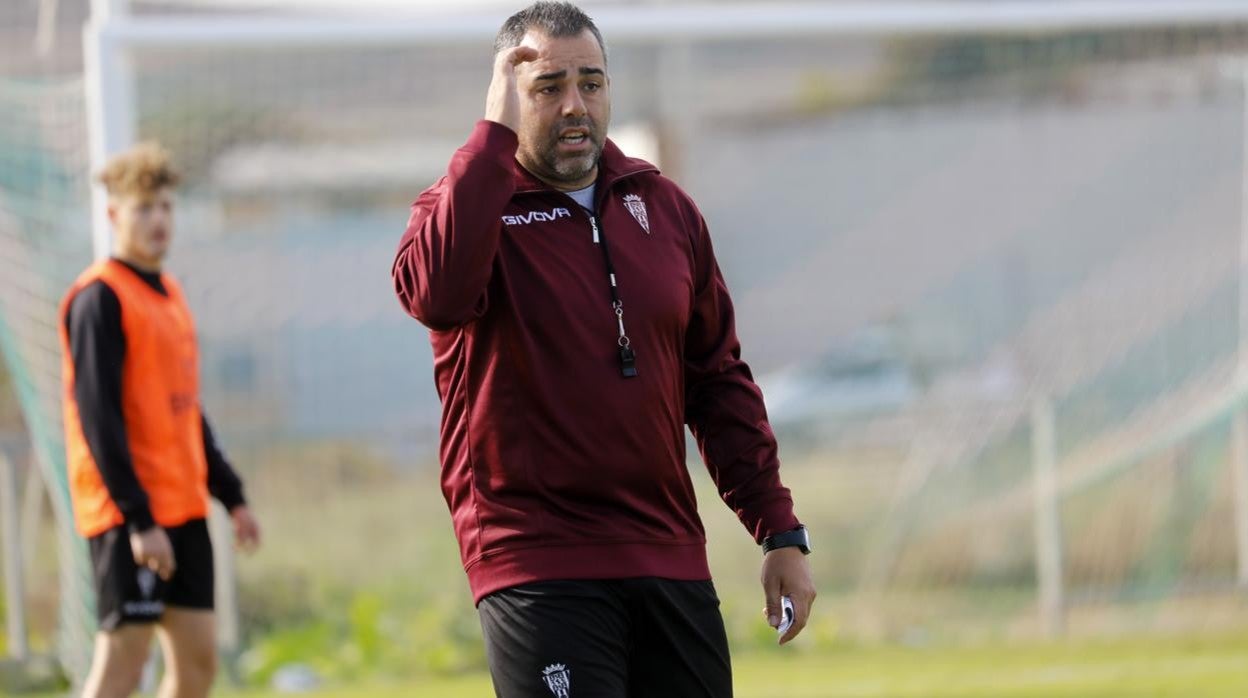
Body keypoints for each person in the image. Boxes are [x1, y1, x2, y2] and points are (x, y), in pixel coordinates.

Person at [391, 2, 815, 695]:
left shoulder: (666, 208)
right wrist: (488, 139)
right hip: (535, 561)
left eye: (591, 83)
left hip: (668, 555)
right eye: (547, 87)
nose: (574, 106)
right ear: (505, 98)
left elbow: (718, 382)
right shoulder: (465, 208)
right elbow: (433, 295)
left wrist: (778, 529)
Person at [59, 142, 261, 698]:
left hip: (182, 507)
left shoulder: (169, 294)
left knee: (197, 667)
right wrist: (137, 518)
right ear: (113, 215)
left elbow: (183, 409)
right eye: (144, 208)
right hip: (130, 516)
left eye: (166, 207)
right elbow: (98, 418)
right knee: (123, 666)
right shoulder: (99, 299)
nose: (158, 220)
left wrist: (232, 494)